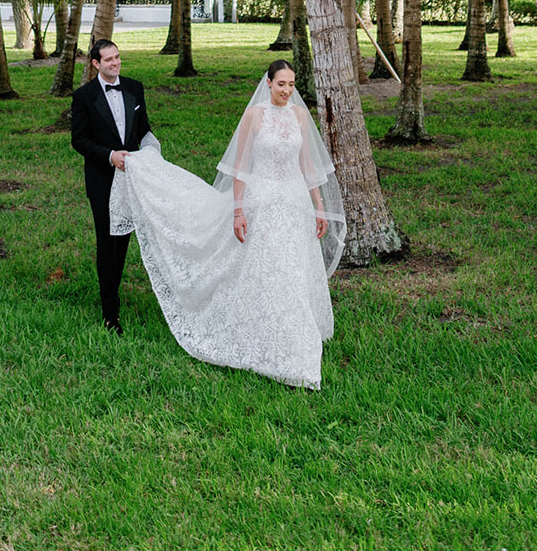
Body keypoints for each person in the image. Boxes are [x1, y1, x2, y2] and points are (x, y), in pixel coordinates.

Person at [109, 59, 345, 389]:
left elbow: (307, 164)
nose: (287, 91)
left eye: (291, 85)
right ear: (268, 83)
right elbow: (240, 166)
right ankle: (267, 337)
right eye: (281, 85)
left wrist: (319, 207)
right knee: (264, 270)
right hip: (259, 201)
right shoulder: (254, 115)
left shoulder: (300, 116)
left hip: (293, 204)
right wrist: (238, 211)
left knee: (292, 270)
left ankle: (297, 339)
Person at [70, 38, 156, 334]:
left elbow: (144, 129)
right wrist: (109, 156)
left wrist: (151, 152)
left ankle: (114, 288)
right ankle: (110, 312)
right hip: (103, 180)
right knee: (108, 243)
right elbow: (78, 140)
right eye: (108, 60)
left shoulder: (134, 88)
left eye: (117, 57)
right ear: (95, 63)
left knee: (124, 240)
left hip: (133, 179)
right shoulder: (84, 96)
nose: (115, 63)